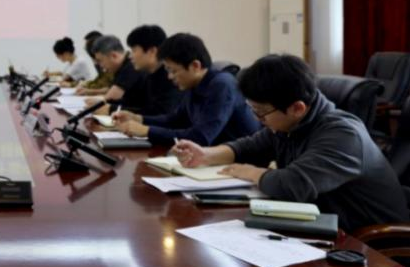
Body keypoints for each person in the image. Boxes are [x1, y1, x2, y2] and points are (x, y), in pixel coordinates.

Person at [175, 54, 409, 232]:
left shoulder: (343, 135)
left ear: (297, 108)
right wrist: (206, 154)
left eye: (261, 112)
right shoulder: (290, 123)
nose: (257, 119)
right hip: (326, 226)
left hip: (373, 243)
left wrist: (251, 172)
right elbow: (250, 146)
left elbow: (292, 185)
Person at [114, 33, 260, 146]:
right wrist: (139, 119)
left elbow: (201, 137)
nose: (170, 77)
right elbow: (175, 120)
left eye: (173, 71)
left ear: (195, 66)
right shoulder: (194, 84)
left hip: (240, 161)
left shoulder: (222, 85)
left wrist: (147, 131)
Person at [95, 25, 181, 117]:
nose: (130, 56)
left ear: (152, 51)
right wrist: (105, 105)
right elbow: (133, 103)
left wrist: (111, 109)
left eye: (134, 50)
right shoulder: (148, 75)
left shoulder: (170, 78)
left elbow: (159, 114)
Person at [88, 35, 146, 107]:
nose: (100, 65)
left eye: (100, 60)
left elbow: (108, 100)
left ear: (114, 56)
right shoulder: (122, 66)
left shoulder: (130, 67)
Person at [75, 30, 115, 95]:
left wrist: (89, 90)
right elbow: (100, 81)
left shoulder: (111, 64)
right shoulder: (102, 62)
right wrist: (86, 85)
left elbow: (109, 87)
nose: (86, 48)